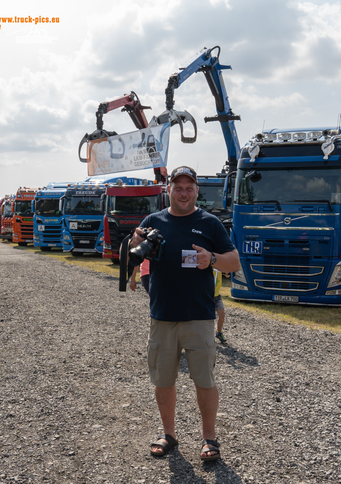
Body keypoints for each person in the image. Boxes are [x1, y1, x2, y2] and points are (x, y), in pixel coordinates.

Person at [129, 165, 239, 461]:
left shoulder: (210, 223)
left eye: (189, 187)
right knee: (163, 380)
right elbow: (132, 248)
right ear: (169, 190)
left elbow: (234, 262)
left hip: (200, 317)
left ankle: (209, 439)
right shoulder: (154, 220)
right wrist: (134, 242)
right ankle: (169, 435)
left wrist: (212, 258)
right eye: (178, 187)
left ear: (196, 192)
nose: (183, 192)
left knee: (204, 380)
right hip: (162, 316)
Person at [213, 269, 226, 344]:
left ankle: (219, 333)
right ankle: (207, 336)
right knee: (209, 317)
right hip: (208, 295)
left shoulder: (220, 267)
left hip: (217, 295)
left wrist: (225, 272)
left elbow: (227, 273)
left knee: (222, 314)